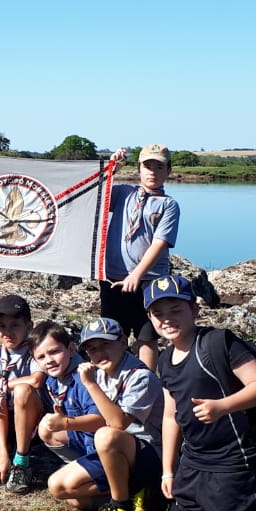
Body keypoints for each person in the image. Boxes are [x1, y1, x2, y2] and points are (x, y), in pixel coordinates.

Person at [146, 273, 256, 511]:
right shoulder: (165, 359)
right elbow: (171, 416)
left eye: (176, 309)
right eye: (158, 313)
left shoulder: (218, 342)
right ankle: (241, 510)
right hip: (194, 458)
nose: (167, 319)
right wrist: (168, 471)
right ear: (150, 318)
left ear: (194, 309)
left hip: (233, 456)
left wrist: (222, 406)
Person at [74, 317, 167, 511]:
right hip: (118, 450)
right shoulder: (100, 374)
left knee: (105, 435)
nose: (99, 353)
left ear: (123, 342)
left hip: (151, 452)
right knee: (63, 490)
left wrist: (89, 384)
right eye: (92, 349)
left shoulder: (140, 376)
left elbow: (117, 423)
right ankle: (138, 493)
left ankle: (121, 507)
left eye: (106, 344)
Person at [101, 144, 180, 369]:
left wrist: (137, 275)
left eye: (159, 167)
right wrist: (113, 168)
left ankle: (146, 383)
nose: (152, 171)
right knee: (114, 334)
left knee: (147, 335)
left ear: (168, 171)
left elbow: (160, 242)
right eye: (147, 166)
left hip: (149, 281)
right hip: (113, 278)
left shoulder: (168, 205)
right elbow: (96, 193)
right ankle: (113, 381)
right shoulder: (124, 193)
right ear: (139, 169)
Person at [32, 321, 110, 510]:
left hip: (105, 447)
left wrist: (66, 423)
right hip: (86, 441)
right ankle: (110, 491)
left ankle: (126, 486)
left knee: (58, 487)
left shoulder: (84, 377)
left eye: (54, 352)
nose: (49, 360)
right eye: (41, 357)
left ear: (71, 349)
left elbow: (101, 421)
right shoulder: (52, 379)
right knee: (76, 500)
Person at [0, 294, 44, 494]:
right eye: (1, 326)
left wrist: (5, 385)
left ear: (29, 326)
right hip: (10, 420)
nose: (7, 332)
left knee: (22, 390)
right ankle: (6, 452)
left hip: (39, 419)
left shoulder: (36, 350)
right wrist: (1, 453)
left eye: (15, 325)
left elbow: (37, 380)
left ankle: (21, 462)